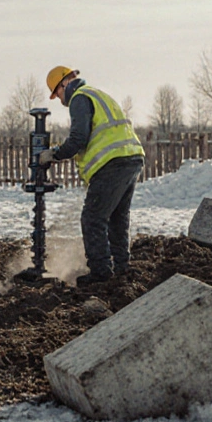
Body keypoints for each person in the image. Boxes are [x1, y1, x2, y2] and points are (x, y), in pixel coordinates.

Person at [38, 66, 145, 286]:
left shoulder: (79, 98)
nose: (60, 100)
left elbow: (79, 138)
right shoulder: (98, 94)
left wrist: (54, 154)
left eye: (57, 93)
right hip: (131, 157)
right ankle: (121, 268)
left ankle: (101, 273)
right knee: (117, 218)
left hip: (112, 162)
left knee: (92, 218)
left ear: (64, 83)